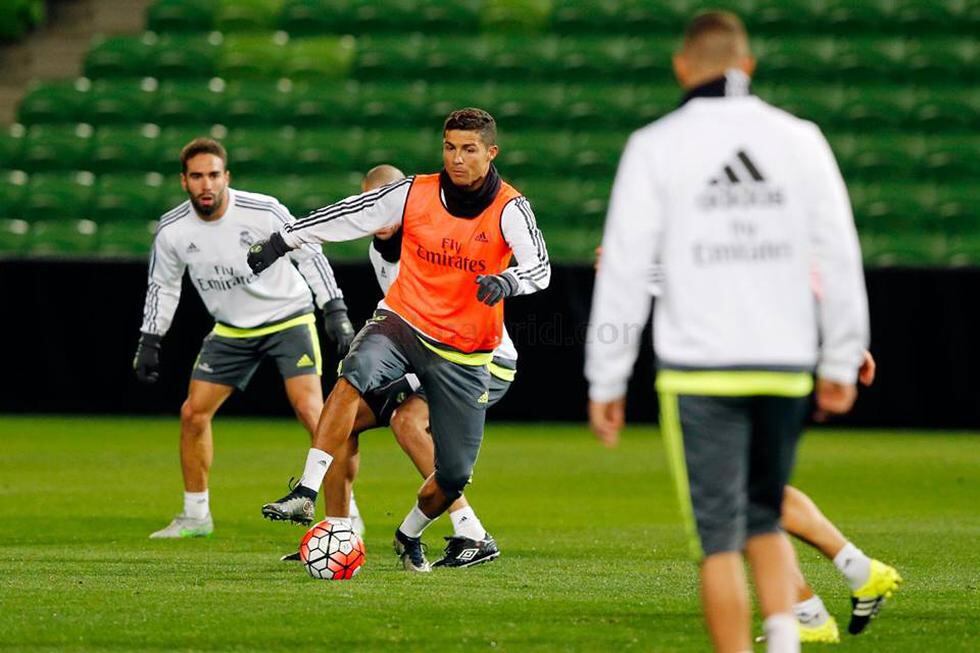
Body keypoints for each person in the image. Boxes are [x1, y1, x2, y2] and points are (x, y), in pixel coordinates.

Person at [585, 12, 872, 653]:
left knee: (718, 541)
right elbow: (838, 254)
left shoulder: (656, 145)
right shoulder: (800, 138)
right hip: (784, 363)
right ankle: (785, 639)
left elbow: (626, 269)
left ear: (681, 67)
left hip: (700, 369)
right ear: (749, 66)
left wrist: (606, 374)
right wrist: (841, 358)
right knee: (764, 517)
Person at [247, 108, 550, 572]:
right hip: (406, 330)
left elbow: (540, 268)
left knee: (446, 468)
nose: (457, 158)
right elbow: (346, 214)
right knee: (354, 375)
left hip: (474, 357)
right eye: (449, 147)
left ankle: (427, 533)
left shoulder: (509, 208)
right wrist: (282, 240)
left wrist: (509, 281)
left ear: (491, 153)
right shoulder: (408, 199)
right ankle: (319, 510)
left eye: (469, 149)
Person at [283, 164, 518, 567]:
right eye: (368, 200)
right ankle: (337, 533)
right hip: (424, 350)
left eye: (386, 198)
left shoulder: (433, 238)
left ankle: (470, 530)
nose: (378, 209)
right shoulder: (380, 251)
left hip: (481, 358)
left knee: (407, 422)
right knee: (346, 416)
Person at [134, 137, 356, 539]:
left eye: (214, 175)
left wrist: (334, 307)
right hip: (231, 330)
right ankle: (196, 515)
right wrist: (150, 339)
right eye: (197, 176)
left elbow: (309, 252)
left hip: (288, 318)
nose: (207, 184)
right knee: (192, 414)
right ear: (184, 181)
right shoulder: (172, 230)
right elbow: (163, 287)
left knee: (313, 412)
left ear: (227, 177)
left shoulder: (263, 210)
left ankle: (346, 511)